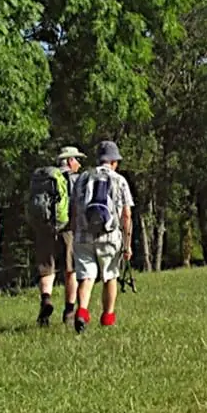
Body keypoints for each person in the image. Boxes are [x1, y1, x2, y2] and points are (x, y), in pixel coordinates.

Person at [72, 140, 134, 334]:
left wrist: (76, 231)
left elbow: (74, 208)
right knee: (110, 276)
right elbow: (126, 215)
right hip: (109, 235)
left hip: (83, 235)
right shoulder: (119, 180)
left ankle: (82, 311)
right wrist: (127, 244)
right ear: (114, 161)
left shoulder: (82, 177)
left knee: (86, 277)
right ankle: (107, 317)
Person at [29, 146, 84, 327]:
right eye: (76, 159)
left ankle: (46, 300)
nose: (79, 163)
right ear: (69, 161)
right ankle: (69, 312)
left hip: (45, 228)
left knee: (46, 268)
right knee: (71, 270)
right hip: (67, 228)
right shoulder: (74, 179)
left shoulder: (45, 180)